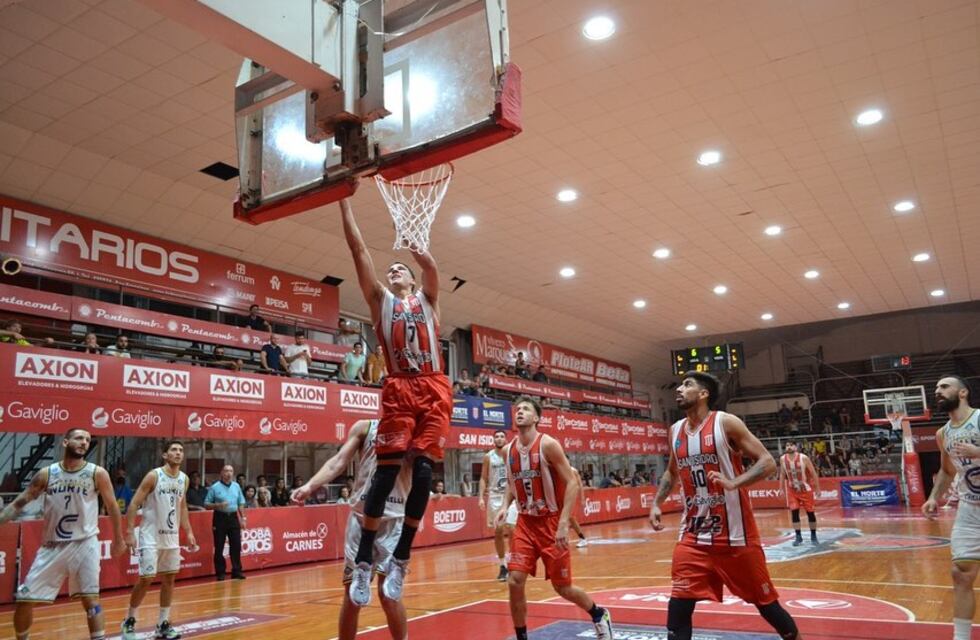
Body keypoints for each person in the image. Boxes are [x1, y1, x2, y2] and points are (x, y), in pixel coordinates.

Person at [340, 198, 452, 606]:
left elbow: (432, 269)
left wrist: (416, 249)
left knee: (423, 473)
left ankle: (402, 556)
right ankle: (366, 561)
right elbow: (358, 250)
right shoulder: (379, 300)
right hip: (399, 389)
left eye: (399, 268)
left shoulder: (428, 300)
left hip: (433, 388)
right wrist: (344, 201)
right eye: (391, 270)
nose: (394, 270)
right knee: (383, 477)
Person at [649, 373, 800, 640]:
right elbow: (671, 473)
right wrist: (657, 504)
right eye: (680, 385)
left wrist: (734, 482)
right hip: (693, 537)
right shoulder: (674, 431)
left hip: (736, 538)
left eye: (688, 385)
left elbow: (767, 462)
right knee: (678, 609)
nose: (679, 389)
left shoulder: (725, 423)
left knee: (767, 606)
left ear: (704, 393)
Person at [498, 397, 613, 640]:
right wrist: (503, 504)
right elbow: (512, 482)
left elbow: (572, 482)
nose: (520, 411)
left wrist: (563, 523)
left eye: (526, 409)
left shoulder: (548, 445)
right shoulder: (508, 450)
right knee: (514, 581)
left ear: (536, 418)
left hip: (550, 523)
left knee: (563, 588)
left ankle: (598, 613)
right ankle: (521, 636)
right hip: (526, 523)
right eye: (517, 408)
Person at [0, 428, 127, 640]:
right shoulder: (47, 474)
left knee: (91, 602)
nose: (84, 442)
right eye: (79, 438)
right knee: (24, 599)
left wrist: (119, 539)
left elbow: (113, 506)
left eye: (87, 439)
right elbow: (19, 502)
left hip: (85, 543)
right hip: (53, 546)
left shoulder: (97, 473)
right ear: (65, 442)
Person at [292, 419, 410, 640]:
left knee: (389, 595)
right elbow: (338, 462)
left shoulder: (414, 428)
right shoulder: (366, 427)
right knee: (352, 594)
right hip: (361, 517)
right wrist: (310, 485)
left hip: (394, 520)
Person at [120, 441, 196, 640]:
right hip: (150, 535)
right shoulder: (154, 475)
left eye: (181, 450)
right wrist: (129, 532)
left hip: (171, 537)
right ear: (165, 455)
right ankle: (129, 620)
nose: (178, 453)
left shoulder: (184, 479)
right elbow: (134, 503)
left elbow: (183, 507)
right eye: (174, 450)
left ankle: (163, 624)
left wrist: (188, 532)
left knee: (169, 579)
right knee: (146, 579)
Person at [923, 375, 979, 640]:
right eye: (936, 387)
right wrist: (934, 496)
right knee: (960, 573)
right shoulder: (942, 433)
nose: (938, 391)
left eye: (944, 386)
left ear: (963, 393)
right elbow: (946, 472)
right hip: (970, 509)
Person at [479, 430, 517, 581]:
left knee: (512, 528)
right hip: (495, 496)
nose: (499, 439)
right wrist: (481, 497)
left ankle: (514, 562)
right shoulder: (489, 456)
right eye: (496, 436)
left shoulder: (511, 454)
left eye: (502, 436)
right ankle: (503, 565)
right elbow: (483, 477)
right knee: (499, 531)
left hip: (510, 495)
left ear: (505, 439)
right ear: (493, 439)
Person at [204, 465, 247, 581]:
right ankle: (221, 572)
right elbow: (206, 504)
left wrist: (243, 518)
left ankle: (237, 571)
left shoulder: (236, 486)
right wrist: (217, 505)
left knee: (236, 545)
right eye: (226, 471)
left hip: (233, 517)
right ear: (221, 473)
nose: (229, 473)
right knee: (219, 546)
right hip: (219, 517)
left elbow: (241, 503)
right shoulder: (214, 487)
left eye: (231, 471)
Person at [778, 441, 820, 546]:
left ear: (796, 447)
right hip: (792, 490)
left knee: (810, 513)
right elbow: (782, 474)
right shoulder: (782, 459)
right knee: (794, 512)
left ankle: (813, 535)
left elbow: (813, 473)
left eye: (791, 445)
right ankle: (798, 536)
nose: (789, 447)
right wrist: (781, 488)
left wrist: (817, 489)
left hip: (805, 489)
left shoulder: (804, 458)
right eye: (787, 445)